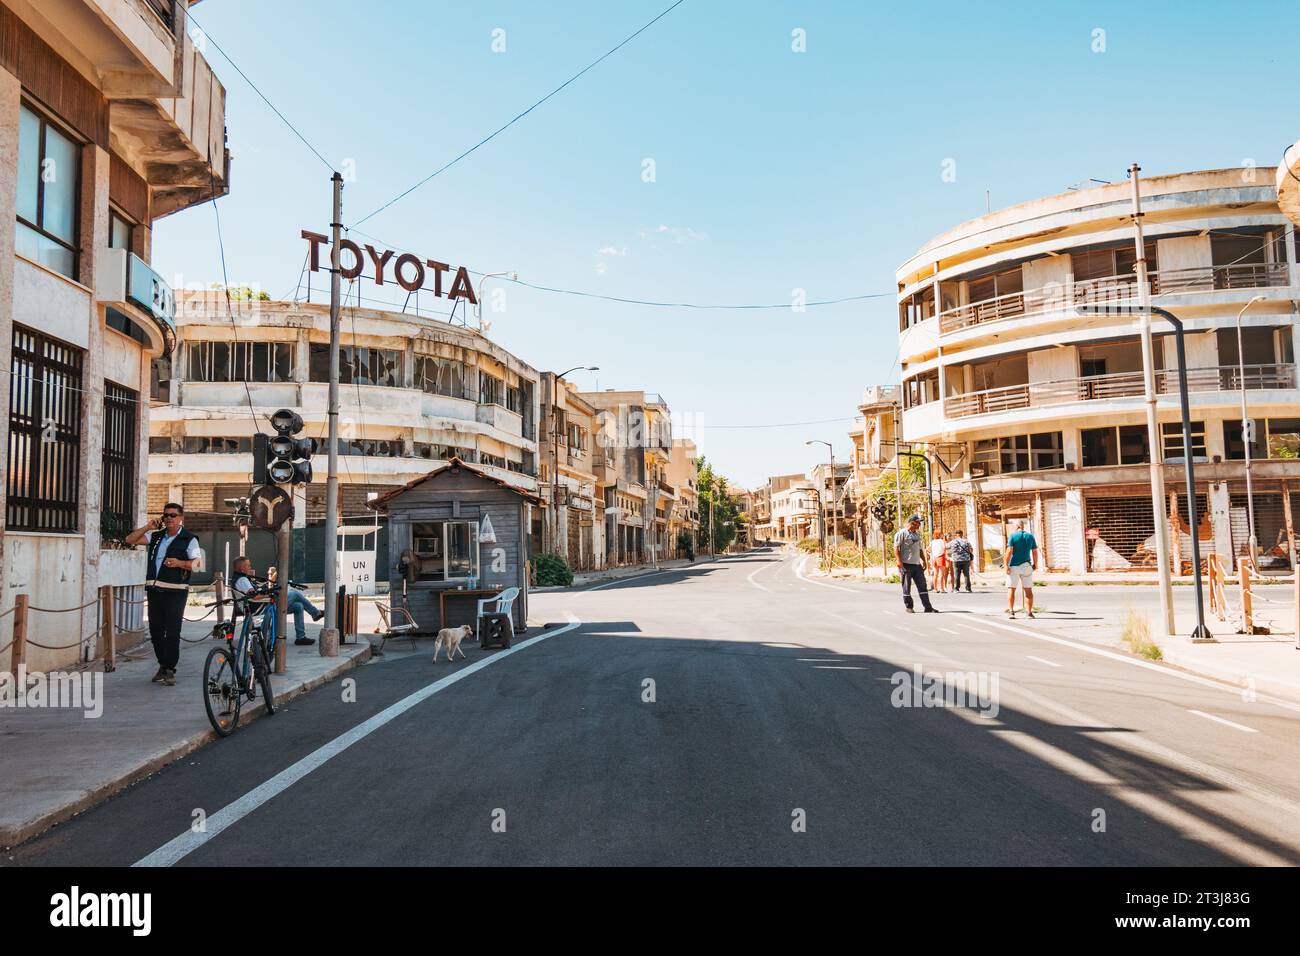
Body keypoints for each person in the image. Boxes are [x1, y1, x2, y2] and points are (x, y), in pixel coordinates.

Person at [125, 503, 201, 686]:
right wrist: (148, 526)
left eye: (173, 515)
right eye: (166, 515)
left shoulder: (189, 539)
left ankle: (169, 669)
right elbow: (130, 539)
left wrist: (179, 563)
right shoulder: (156, 536)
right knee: (156, 630)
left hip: (175, 592)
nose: (168, 519)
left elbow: (198, 564)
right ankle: (162, 664)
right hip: (155, 590)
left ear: (181, 518)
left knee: (172, 631)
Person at [238, 559, 325, 645]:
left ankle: (300, 637)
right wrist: (270, 594)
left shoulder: (241, 579)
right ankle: (315, 613)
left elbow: (254, 593)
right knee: (294, 593)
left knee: (298, 606)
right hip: (263, 608)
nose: (250, 567)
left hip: (262, 605)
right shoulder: (243, 580)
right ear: (242, 569)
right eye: (248, 565)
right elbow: (255, 596)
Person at [894, 515, 937, 613]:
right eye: (918, 522)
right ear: (912, 522)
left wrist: (924, 561)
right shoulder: (901, 533)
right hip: (906, 564)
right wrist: (899, 561)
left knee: (923, 586)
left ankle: (928, 607)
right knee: (906, 586)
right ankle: (909, 606)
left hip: (917, 565)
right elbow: (896, 548)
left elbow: (920, 549)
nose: (919, 524)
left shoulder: (917, 535)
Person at [1003, 519, 1039, 618]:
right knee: (1028, 590)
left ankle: (1011, 611)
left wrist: (1006, 565)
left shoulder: (1013, 536)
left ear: (1017, 526)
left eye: (1013, 526)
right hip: (1027, 566)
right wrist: (1035, 564)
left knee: (1011, 589)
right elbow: (1035, 551)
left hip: (1014, 566)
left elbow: (1009, 551)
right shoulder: (1030, 536)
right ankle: (1029, 612)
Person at [948, 528, 974, 593]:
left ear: (956, 535)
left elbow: (946, 548)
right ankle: (968, 589)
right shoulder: (966, 541)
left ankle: (956, 588)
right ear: (962, 534)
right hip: (966, 560)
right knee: (966, 574)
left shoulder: (952, 542)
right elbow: (971, 550)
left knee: (957, 574)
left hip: (956, 560)